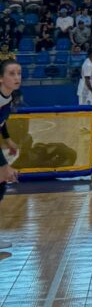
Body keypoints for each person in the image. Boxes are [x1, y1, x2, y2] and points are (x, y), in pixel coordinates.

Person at [0, 59, 21, 250]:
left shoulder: (8, 96)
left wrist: (7, 140)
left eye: (19, 73)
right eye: (11, 74)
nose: (17, 77)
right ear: (1, 78)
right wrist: (5, 166)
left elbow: (1, 121)